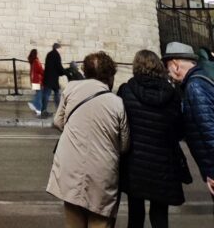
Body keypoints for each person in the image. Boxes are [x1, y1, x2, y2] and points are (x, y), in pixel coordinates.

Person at [47, 50, 129, 227]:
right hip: (102, 172)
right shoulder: (116, 103)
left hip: (70, 167)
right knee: (100, 220)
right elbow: (124, 144)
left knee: (74, 217)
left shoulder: (71, 89)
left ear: (86, 71)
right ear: (110, 76)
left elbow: (57, 121)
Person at [117, 48, 186, 228]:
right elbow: (179, 130)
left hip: (134, 162)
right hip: (163, 163)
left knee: (135, 216)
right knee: (160, 216)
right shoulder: (173, 95)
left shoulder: (126, 91)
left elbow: (120, 126)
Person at [163, 41, 214, 199]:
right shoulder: (199, 81)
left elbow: (210, 132)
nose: (169, 74)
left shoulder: (194, 87)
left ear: (175, 65)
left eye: (168, 68)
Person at [42, 42, 67, 115]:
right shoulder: (57, 55)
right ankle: (59, 110)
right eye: (61, 49)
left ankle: (44, 110)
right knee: (55, 94)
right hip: (53, 79)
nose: (62, 50)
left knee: (49, 94)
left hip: (48, 78)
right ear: (58, 48)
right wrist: (64, 72)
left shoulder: (49, 54)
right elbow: (58, 66)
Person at [28, 48, 44, 116]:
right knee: (39, 95)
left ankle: (36, 108)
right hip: (38, 81)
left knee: (38, 94)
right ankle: (36, 107)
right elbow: (40, 70)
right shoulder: (36, 61)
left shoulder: (32, 62)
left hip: (34, 81)